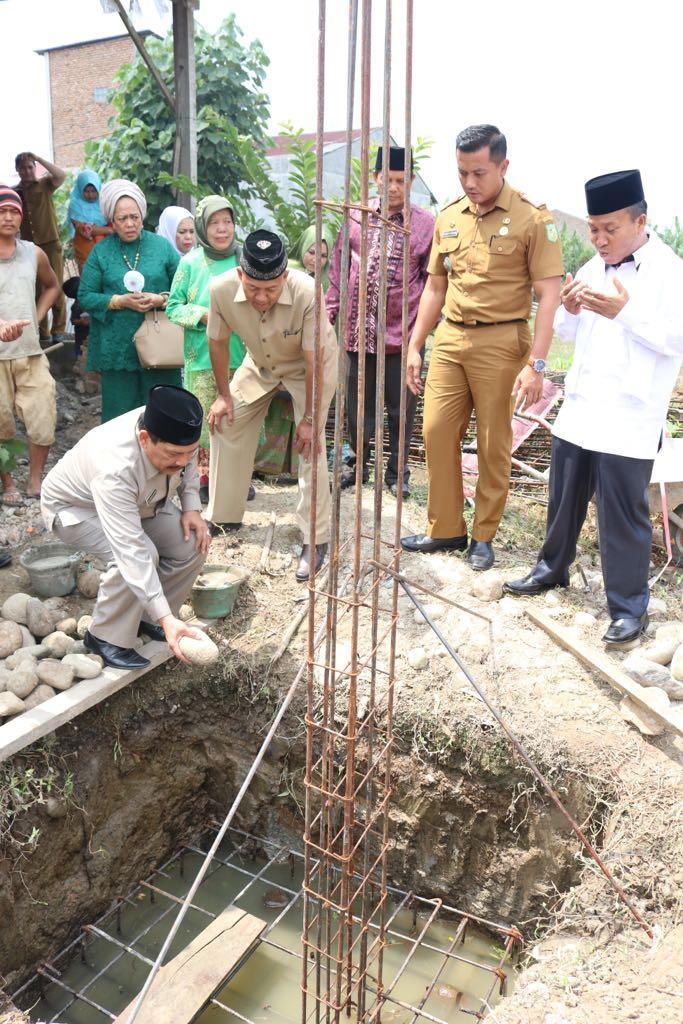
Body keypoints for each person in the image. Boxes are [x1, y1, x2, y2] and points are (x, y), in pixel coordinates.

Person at [503, 170, 683, 645]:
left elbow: (677, 338)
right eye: (593, 229)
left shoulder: (670, 271)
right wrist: (571, 308)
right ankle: (550, 569)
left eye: (610, 229)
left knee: (622, 514)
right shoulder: (590, 268)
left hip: (630, 414)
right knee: (563, 498)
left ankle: (628, 608)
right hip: (581, 409)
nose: (599, 240)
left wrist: (623, 312)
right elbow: (568, 331)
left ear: (640, 221)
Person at [400, 125, 564, 569]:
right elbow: (435, 286)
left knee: (493, 441)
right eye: (462, 173)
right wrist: (416, 343)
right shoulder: (450, 216)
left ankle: (483, 535)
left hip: (502, 341)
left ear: (502, 166)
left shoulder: (533, 219)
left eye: (479, 173)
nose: (469, 182)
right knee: (436, 431)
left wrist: (537, 364)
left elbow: (549, 295)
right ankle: (446, 528)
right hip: (451, 339)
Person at [41, 385, 210, 669]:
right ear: (144, 439)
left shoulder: (173, 426)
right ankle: (104, 637)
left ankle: (151, 618)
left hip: (142, 500)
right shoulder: (114, 467)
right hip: (77, 509)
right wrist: (166, 618)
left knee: (192, 542)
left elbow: (188, 458)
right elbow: (130, 550)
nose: (182, 461)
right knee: (140, 555)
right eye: (173, 454)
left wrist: (191, 505)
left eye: (188, 452)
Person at [207, 229, 338, 581]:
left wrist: (309, 418)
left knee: (311, 444)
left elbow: (313, 359)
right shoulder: (220, 289)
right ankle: (223, 516)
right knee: (226, 420)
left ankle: (316, 538)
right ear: (240, 275)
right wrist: (223, 396)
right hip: (260, 362)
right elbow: (217, 342)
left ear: (285, 276)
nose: (261, 298)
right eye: (253, 289)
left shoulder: (308, 291)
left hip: (310, 367)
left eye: (271, 289)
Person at [327, 146, 435, 498]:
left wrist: (420, 336)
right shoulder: (356, 217)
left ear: (412, 181)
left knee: (401, 411)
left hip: (402, 340)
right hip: (357, 336)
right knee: (357, 407)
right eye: (387, 179)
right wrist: (330, 313)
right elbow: (338, 270)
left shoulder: (425, 225)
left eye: (401, 180)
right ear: (375, 178)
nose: (394, 187)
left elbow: (433, 284)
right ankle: (357, 464)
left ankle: (397, 472)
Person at [78, 178, 182, 422]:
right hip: (117, 350)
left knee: (165, 415)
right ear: (112, 221)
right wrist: (119, 301)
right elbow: (85, 296)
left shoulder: (162, 247)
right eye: (122, 219)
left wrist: (160, 299)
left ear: (142, 216)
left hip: (161, 346)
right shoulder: (101, 252)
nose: (129, 224)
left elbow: (185, 289)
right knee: (120, 419)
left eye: (134, 217)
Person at [167, 195, 247, 504]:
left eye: (227, 222)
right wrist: (202, 315)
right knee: (204, 419)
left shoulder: (244, 259)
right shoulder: (190, 262)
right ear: (202, 227)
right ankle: (204, 477)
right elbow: (173, 307)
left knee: (239, 416)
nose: (222, 229)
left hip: (242, 353)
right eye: (214, 223)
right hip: (201, 355)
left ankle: (238, 477)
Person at [0, 185, 59, 504]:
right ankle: (8, 483)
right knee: (1, 423)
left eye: (14, 211)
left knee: (42, 414)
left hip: (31, 353)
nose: (8, 217)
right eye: (2, 211)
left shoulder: (33, 253)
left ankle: (35, 481)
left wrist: (36, 318)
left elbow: (52, 286)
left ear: (22, 217)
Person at [14, 151, 68, 342]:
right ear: (18, 170)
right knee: (36, 289)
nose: (28, 171)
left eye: (31, 167)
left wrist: (37, 158)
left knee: (56, 286)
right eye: (23, 168)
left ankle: (58, 329)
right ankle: (42, 330)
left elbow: (61, 175)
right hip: (29, 248)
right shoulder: (16, 192)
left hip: (51, 243)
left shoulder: (45, 184)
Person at [67, 169, 111, 272]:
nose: (90, 195)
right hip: (85, 252)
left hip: (106, 251)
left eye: (94, 191)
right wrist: (109, 230)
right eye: (86, 191)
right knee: (88, 279)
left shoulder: (104, 203)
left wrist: (105, 230)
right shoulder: (75, 205)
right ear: (80, 189)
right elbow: (85, 229)